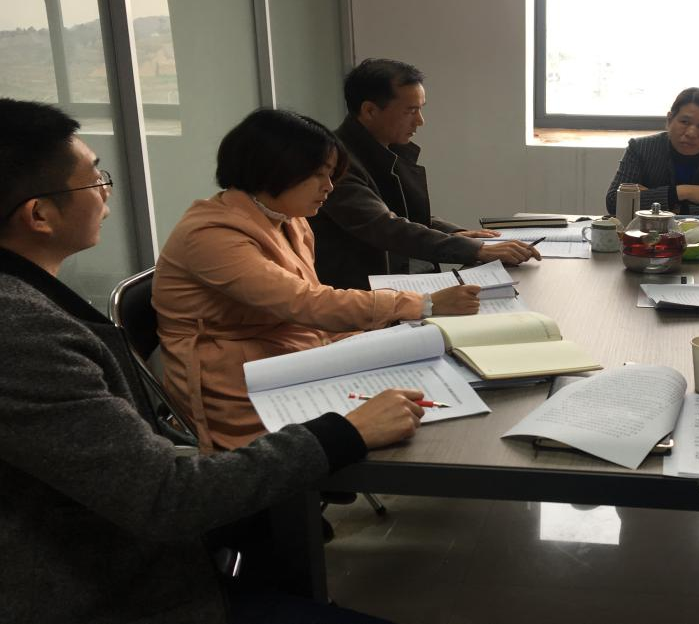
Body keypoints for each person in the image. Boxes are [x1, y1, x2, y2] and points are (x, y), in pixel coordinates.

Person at [0, 98, 420, 623]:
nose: (107, 191)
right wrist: (343, 431)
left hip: (160, 539)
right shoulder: (23, 335)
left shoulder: (30, 308)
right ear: (39, 215)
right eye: (95, 179)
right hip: (126, 589)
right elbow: (164, 496)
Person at [153, 109, 480, 451]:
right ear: (273, 169)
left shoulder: (289, 219)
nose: (329, 186)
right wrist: (422, 304)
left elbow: (310, 303)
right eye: (318, 175)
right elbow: (306, 303)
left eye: (331, 174)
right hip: (240, 386)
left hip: (289, 359)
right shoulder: (211, 235)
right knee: (403, 421)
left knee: (424, 373)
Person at [311, 58, 539, 289]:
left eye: (420, 109)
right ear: (369, 110)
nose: (420, 121)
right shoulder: (334, 163)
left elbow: (406, 215)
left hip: (401, 276)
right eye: (411, 111)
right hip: (365, 291)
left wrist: (456, 233)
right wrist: (477, 250)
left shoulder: (385, 148)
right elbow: (386, 227)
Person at [604, 87, 699, 217]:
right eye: (684, 122)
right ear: (669, 120)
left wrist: (677, 208)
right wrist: (682, 192)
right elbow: (614, 202)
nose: (691, 133)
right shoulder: (641, 148)